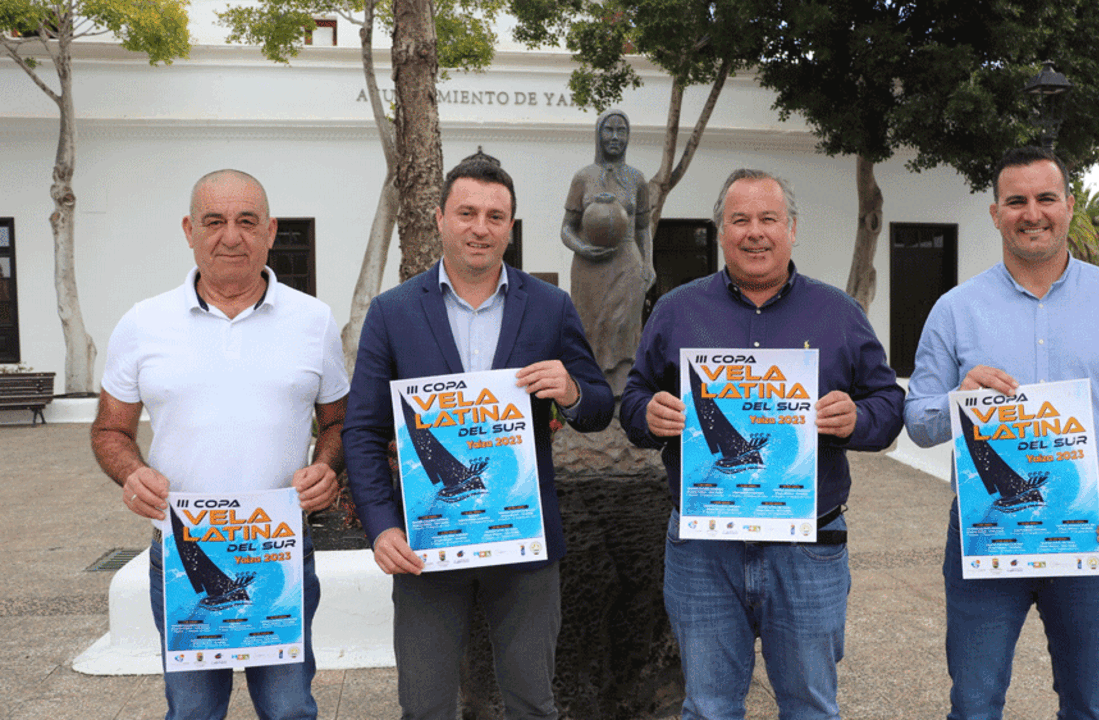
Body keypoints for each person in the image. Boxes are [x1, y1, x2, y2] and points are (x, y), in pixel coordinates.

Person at [903, 146, 1099, 720]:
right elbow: (917, 421)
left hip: (1092, 534)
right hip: (987, 532)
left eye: (1045, 198)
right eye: (1016, 201)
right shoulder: (956, 310)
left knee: (1089, 704)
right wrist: (958, 399)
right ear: (995, 213)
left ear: (1069, 205)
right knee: (974, 703)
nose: (1031, 213)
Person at [620, 168, 904, 719]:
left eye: (768, 219)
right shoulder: (676, 310)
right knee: (708, 707)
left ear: (791, 229)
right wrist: (648, 414)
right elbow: (633, 397)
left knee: (810, 707)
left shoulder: (839, 313)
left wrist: (857, 417)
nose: (755, 232)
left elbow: (889, 406)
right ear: (721, 232)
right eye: (740, 220)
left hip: (807, 546)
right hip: (703, 549)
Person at [342, 158, 613, 720]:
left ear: (510, 227)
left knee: (532, 702)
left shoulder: (550, 306)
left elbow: (598, 408)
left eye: (495, 216)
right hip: (425, 543)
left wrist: (570, 391)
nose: (480, 228)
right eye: (467, 213)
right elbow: (363, 431)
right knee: (425, 706)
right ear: (440, 219)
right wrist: (382, 525)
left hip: (523, 542)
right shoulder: (393, 312)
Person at [90, 169, 349, 720]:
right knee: (192, 712)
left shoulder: (314, 321)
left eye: (247, 221)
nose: (231, 236)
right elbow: (110, 430)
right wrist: (131, 473)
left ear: (270, 231)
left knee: (288, 709)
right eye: (214, 221)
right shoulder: (143, 323)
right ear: (190, 230)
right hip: (182, 555)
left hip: (277, 554)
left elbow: (339, 423)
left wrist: (327, 465)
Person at [561, 109, 654, 396]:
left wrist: (648, 264)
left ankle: (621, 398)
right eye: (609, 130)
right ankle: (590, 395)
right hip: (589, 267)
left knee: (624, 328)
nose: (615, 137)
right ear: (598, 134)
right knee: (590, 328)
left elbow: (643, 228)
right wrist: (583, 248)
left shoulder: (637, 179)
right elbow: (566, 228)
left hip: (627, 263)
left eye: (621, 131)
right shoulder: (583, 177)